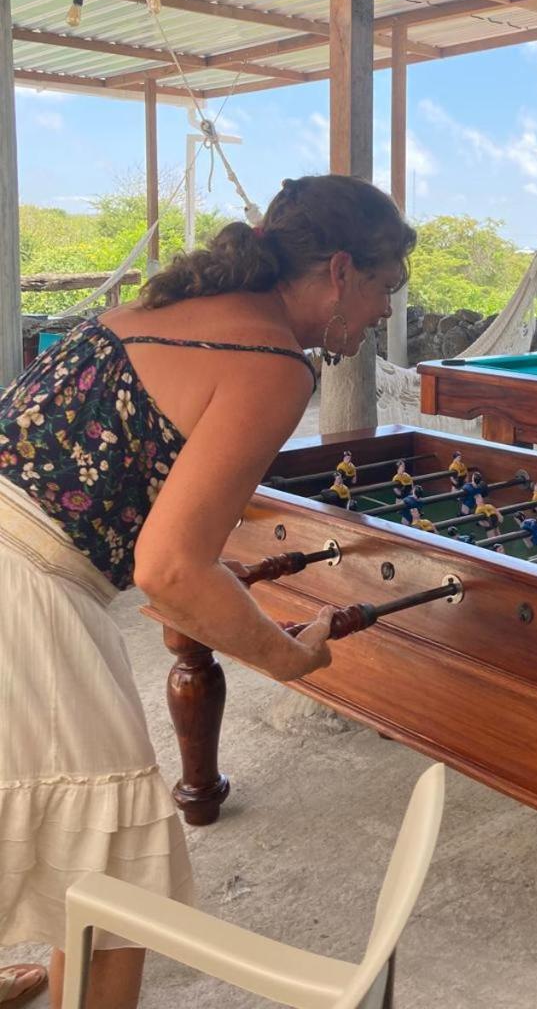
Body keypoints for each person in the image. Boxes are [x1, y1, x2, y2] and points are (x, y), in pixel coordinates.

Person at [0, 174, 416, 1008]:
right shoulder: (273, 363)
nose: (382, 314)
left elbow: (149, 510)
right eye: (384, 290)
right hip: (25, 587)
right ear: (339, 270)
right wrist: (281, 656)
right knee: (116, 872)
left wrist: (211, 582)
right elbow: (169, 571)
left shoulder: (151, 312)